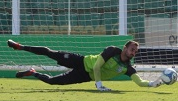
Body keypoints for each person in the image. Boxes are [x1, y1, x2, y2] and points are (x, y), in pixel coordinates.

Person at [8, 39, 164, 91]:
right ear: (125, 48)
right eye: (132, 50)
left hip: (84, 76)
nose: (133, 53)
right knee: (50, 53)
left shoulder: (127, 68)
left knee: (52, 82)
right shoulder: (112, 51)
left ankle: (32, 72)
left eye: (135, 52)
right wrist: (99, 85)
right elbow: (96, 67)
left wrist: (154, 83)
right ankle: (20, 47)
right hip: (81, 61)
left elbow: (139, 82)